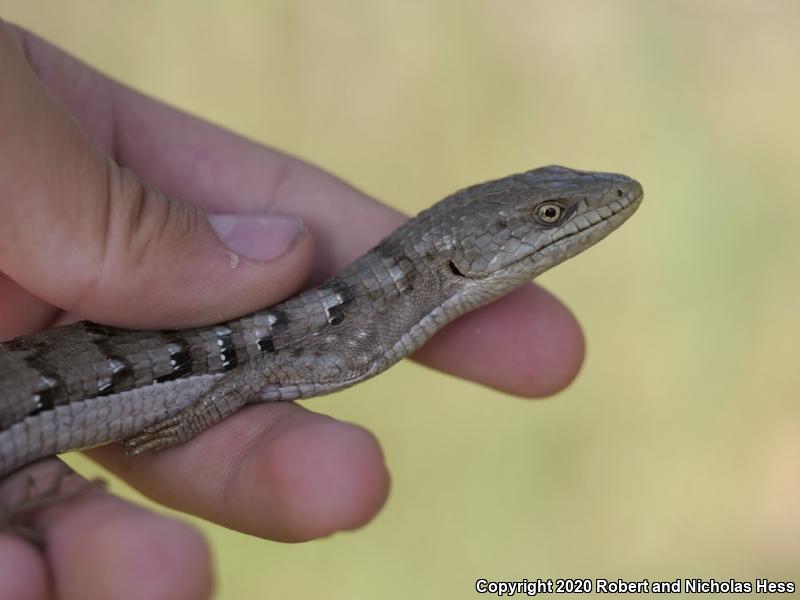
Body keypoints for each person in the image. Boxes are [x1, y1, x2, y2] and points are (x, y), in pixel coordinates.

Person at [0, 21, 584, 598]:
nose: (581, 212)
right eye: (551, 214)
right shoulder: (347, 343)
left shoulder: (355, 328)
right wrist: (190, 422)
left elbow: (260, 370)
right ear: (458, 258)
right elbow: (260, 370)